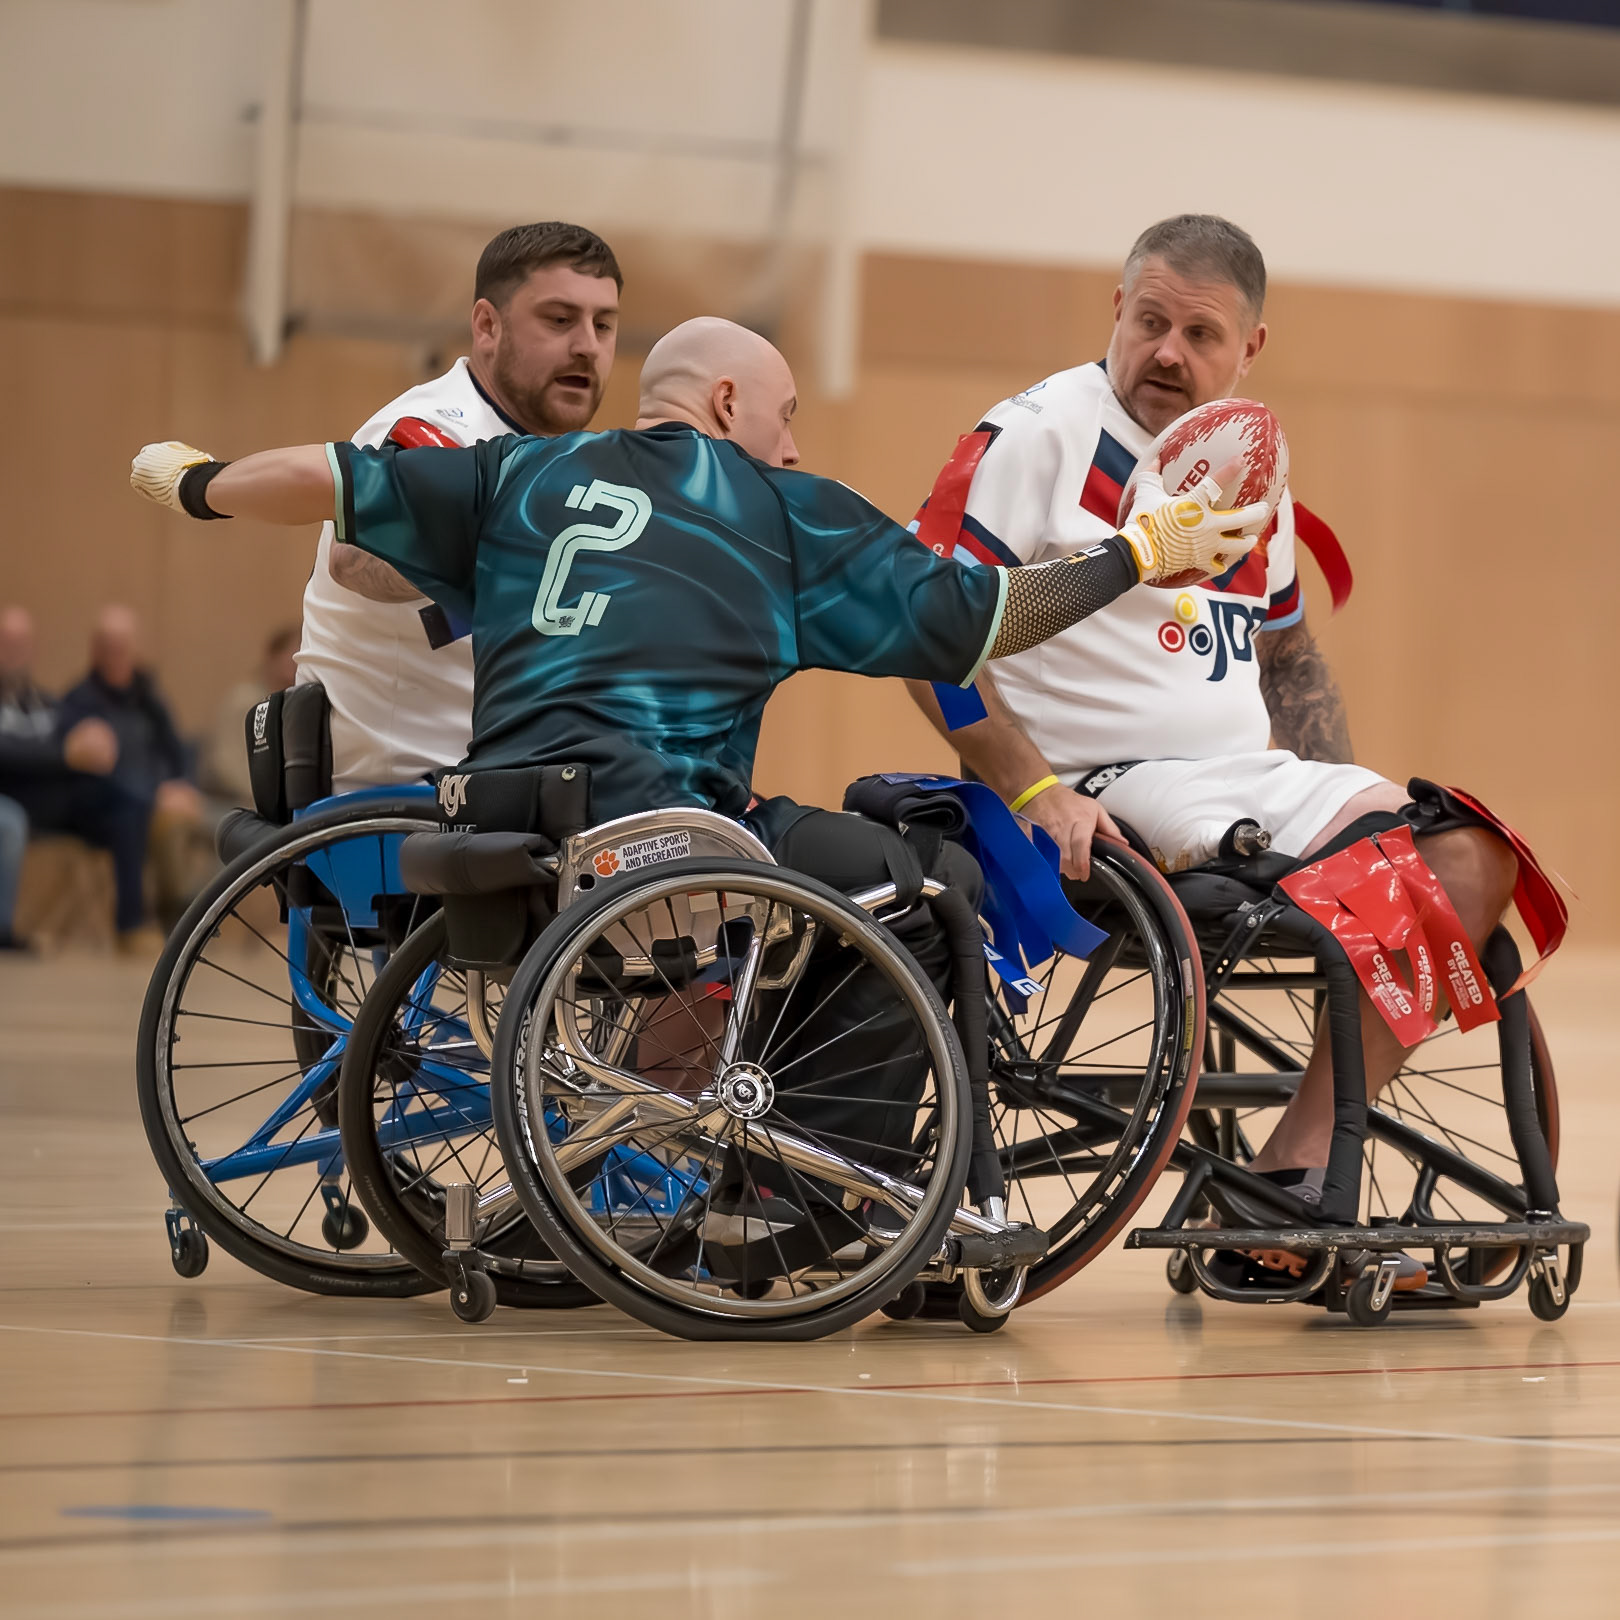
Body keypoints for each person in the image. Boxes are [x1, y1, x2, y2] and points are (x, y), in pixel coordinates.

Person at [130, 316, 1262, 1149]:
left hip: (505, 846)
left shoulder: (518, 468)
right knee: (924, 888)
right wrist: (1137, 554)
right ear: (726, 403)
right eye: (785, 414)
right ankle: (803, 1192)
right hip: (667, 845)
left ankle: (688, 1118)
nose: (791, 443)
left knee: (797, 858)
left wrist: (198, 485)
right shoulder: (782, 511)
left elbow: (321, 478)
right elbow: (993, 616)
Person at [905, 213, 1519, 1274]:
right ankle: (1289, 1193)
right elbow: (921, 639)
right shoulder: (1037, 436)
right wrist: (1035, 789)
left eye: (1199, 335)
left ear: (1250, 347)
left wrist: (1334, 786)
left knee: (1468, 856)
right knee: (1416, 853)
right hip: (1100, 785)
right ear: (1117, 309)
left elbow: (1289, 658)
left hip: (1240, 783)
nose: (1167, 353)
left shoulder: (1247, 466)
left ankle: (1288, 1171)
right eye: (1150, 323)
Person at [294, 220, 623, 792]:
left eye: (604, 325)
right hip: (395, 805)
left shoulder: (564, 462)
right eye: (559, 319)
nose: (587, 346)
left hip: (501, 789)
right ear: (487, 325)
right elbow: (352, 561)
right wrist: (504, 543)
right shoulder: (434, 428)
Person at [0, 604, 151, 947]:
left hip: (60, 801)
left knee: (128, 803)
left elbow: (73, 734)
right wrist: (64, 754)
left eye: (22, 644)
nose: (15, 653)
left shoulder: (43, 702)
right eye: (7, 643)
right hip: (16, 797)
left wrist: (92, 736)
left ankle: (133, 925)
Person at [58, 606, 210, 930]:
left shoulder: (149, 698)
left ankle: (189, 918)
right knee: (143, 816)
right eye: (109, 648)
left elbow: (177, 748)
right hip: (106, 807)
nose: (117, 656)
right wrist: (156, 794)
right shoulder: (79, 701)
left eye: (123, 648)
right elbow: (85, 770)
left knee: (207, 822)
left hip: (157, 799)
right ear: (95, 651)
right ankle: (141, 924)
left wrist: (182, 783)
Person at [199, 623, 300, 809]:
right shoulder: (245, 701)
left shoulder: (297, 706)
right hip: (231, 799)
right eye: (292, 654)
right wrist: (271, 800)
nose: (297, 662)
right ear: (272, 657)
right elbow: (229, 765)